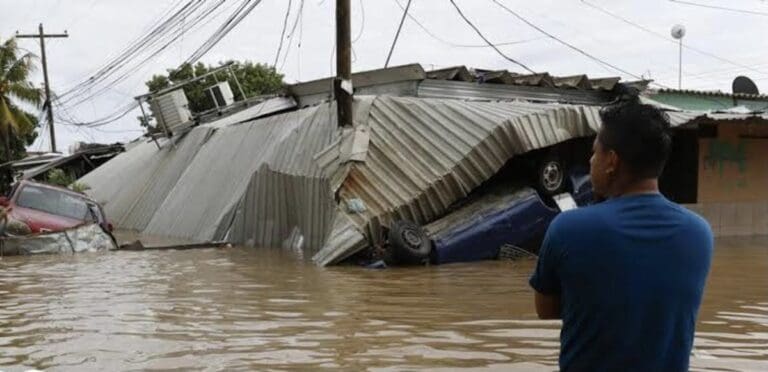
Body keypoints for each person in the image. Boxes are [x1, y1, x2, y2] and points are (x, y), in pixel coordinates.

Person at [529, 97, 713, 371]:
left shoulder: (567, 228)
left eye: (594, 152)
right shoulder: (700, 233)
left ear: (611, 161)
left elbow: (546, 310)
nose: (591, 161)